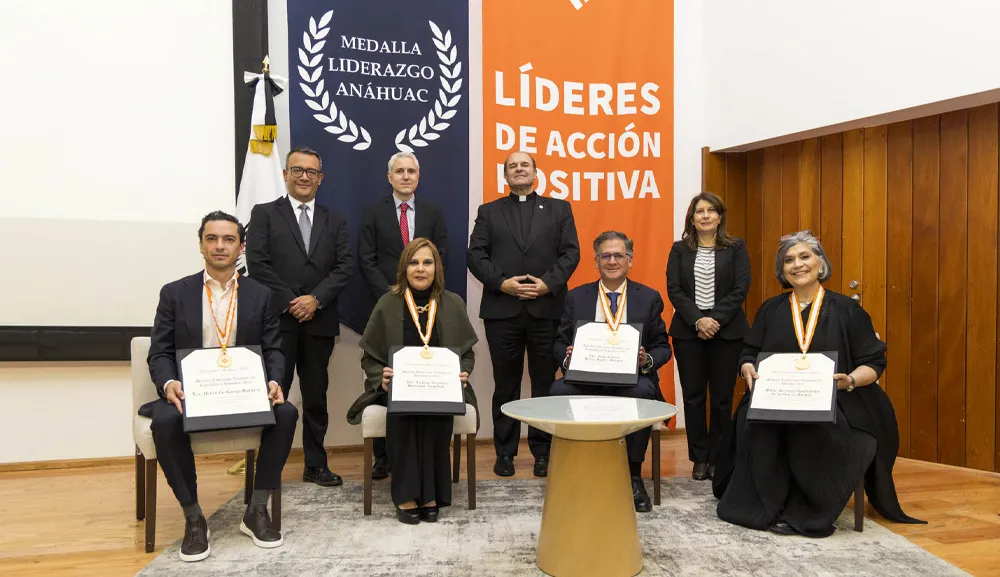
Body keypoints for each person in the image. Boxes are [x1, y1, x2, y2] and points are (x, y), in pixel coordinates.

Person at [713, 230, 924, 537]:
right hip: (778, 395)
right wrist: (747, 368)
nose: (797, 265)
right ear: (781, 270)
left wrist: (849, 380)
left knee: (823, 427)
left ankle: (809, 509)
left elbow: (874, 364)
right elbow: (749, 353)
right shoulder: (770, 310)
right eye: (788, 260)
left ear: (821, 264)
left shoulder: (848, 310)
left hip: (838, 396)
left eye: (804, 256)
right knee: (753, 420)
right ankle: (764, 506)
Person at [143, 211, 297, 561]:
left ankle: (256, 510)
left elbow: (274, 348)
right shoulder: (175, 293)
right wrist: (168, 383)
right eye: (212, 238)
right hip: (192, 394)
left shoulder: (261, 295)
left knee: (286, 412)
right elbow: (160, 352)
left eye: (228, 239)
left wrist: (274, 381)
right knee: (165, 420)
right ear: (201, 245)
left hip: (242, 391)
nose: (220, 246)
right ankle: (194, 517)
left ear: (241, 247)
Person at [346, 238, 479, 524]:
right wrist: (378, 377)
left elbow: (466, 355)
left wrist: (463, 373)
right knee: (404, 411)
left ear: (437, 268)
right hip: (396, 388)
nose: (421, 269)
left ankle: (431, 494)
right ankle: (406, 494)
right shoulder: (388, 303)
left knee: (436, 412)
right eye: (414, 262)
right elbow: (369, 358)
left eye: (427, 262)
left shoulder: (452, 303)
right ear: (404, 268)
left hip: (440, 388)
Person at [467, 151, 581, 478]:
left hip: (547, 311)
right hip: (503, 312)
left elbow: (571, 252)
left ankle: (543, 452)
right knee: (506, 384)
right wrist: (502, 284)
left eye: (524, 165)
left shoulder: (560, 209)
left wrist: (548, 284)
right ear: (505, 177)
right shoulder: (489, 212)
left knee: (545, 385)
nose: (519, 169)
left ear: (536, 173)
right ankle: (504, 453)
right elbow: (476, 255)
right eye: (512, 166)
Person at [246, 146, 353, 487]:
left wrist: (315, 299)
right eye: (298, 170)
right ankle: (268, 468)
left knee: (316, 396)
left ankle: (315, 464)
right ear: (285, 174)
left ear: (320, 178)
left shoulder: (334, 220)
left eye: (311, 172)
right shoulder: (264, 214)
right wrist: (294, 301)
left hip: (319, 322)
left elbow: (344, 267)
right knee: (274, 393)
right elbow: (258, 264)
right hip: (278, 322)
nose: (305, 177)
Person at [552, 231, 672, 512]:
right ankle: (573, 472)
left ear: (630, 260)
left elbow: (662, 346)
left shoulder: (648, 297)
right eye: (605, 255)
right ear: (596, 261)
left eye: (619, 255)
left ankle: (632, 474)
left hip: (631, 379)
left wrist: (646, 361)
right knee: (558, 391)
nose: (612, 261)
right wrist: (568, 357)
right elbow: (559, 342)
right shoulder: (576, 297)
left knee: (643, 393)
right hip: (585, 378)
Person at [357, 151, 448, 479]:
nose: (406, 176)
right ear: (390, 177)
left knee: (422, 377)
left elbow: (441, 257)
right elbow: (365, 259)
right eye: (400, 171)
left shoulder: (434, 213)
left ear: (418, 177)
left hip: (426, 310)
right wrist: (391, 296)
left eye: (411, 171)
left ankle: (427, 454)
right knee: (388, 374)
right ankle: (383, 458)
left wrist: (421, 291)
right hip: (387, 307)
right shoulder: (372, 212)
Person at [666, 192, 750, 480]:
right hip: (689, 333)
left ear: (720, 216)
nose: (705, 215)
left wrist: (714, 319)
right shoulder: (679, 249)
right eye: (699, 211)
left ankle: (719, 457)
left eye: (710, 210)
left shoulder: (736, 248)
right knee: (693, 397)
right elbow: (674, 289)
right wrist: (698, 320)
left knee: (723, 398)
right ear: (691, 217)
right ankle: (699, 458)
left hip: (727, 333)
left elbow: (740, 289)